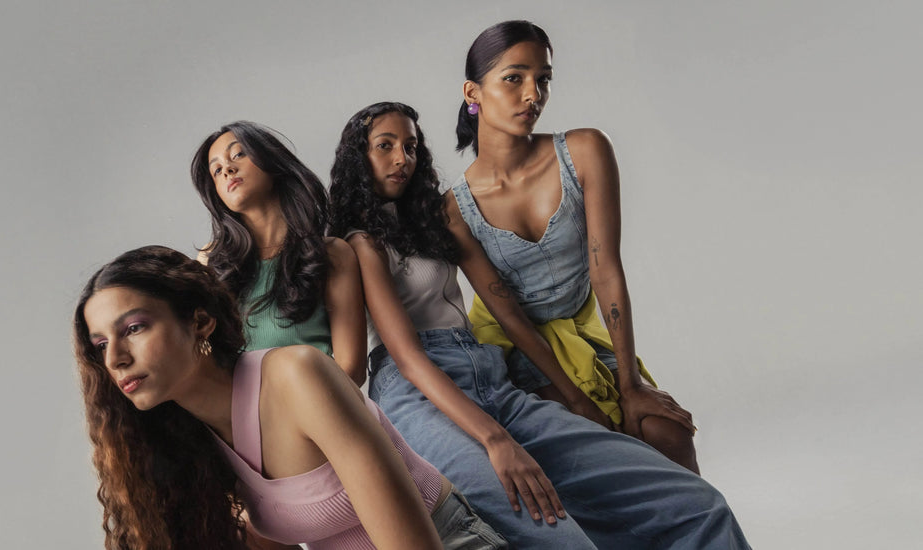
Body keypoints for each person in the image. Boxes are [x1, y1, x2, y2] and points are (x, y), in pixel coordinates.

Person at [327, 101, 748, 549]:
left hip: (488, 377)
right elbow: (410, 360)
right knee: (563, 541)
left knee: (698, 505)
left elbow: (505, 307)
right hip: (419, 396)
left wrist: (575, 398)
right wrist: (497, 441)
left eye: (410, 147)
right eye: (385, 146)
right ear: (359, 157)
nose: (401, 159)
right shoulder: (360, 244)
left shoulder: (438, 219)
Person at [73, 245, 508, 549]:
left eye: (134, 328)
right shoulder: (187, 447)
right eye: (101, 344)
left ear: (200, 323)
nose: (116, 358)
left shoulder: (297, 376)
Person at [450, 20, 699, 472]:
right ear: (473, 93)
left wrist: (631, 385)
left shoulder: (584, 151)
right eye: (514, 78)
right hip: (516, 349)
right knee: (595, 445)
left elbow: (606, 271)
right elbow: (508, 315)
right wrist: (576, 399)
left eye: (543, 79)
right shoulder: (453, 208)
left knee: (668, 432)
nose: (533, 94)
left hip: (584, 332)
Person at [190, 121, 366, 385]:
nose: (227, 169)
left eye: (238, 154)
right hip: (240, 407)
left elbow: (351, 369)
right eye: (216, 170)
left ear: (271, 160)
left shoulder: (332, 253)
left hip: (320, 402)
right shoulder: (210, 261)